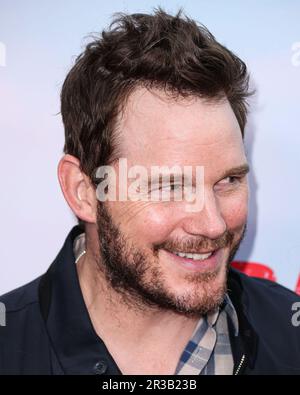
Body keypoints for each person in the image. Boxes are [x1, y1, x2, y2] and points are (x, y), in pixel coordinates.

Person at [0, 8, 299, 375]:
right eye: (170, 186)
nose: (213, 225)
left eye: (229, 181)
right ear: (84, 192)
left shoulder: (289, 334)